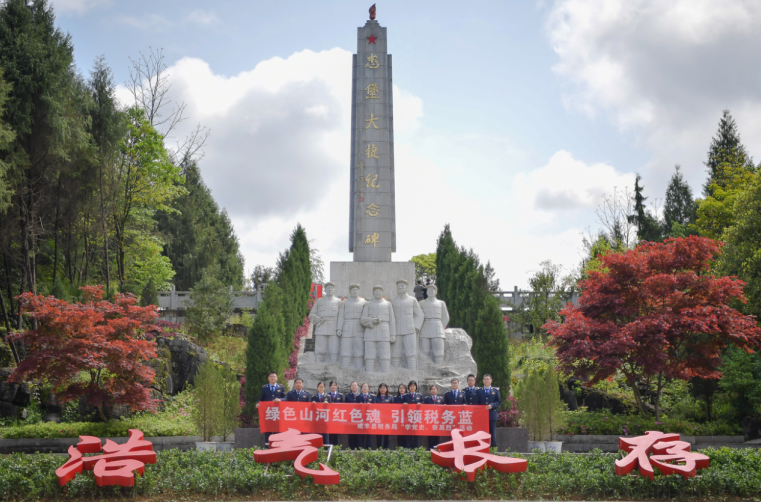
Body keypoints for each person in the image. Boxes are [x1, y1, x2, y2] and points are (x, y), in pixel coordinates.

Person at [336, 283, 367, 369]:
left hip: (359, 327)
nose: (355, 291)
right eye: (353, 290)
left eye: (356, 290)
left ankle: (359, 368)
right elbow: (341, 316)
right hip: (347, 327)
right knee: (345, 348)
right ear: (350, 291)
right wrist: (339, 328)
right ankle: (344, 368)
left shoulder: (364, 303)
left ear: (359, 291)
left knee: (359, 349)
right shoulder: (344, 303)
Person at [256, 371, 286, 444]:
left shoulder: (281, 387)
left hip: (277, 411)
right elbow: (261, 398)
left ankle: (277, 444)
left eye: (274, 377)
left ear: (277, 378)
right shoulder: (264, 388)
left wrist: (280, 400)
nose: (273, 378)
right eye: (271, 377)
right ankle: (267, 444)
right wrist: (258, 403)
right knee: (268, 427)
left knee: (277, 427)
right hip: (268, 411)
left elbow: (285, 398)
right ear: (268, 378)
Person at [477, 374, 501, 448]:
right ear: (482, 381)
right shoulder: (479, 391)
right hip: (481, 416)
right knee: (481, 432)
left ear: (491, 380)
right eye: (485, 379)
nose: (486, 380)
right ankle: (482, 447)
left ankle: (493, 448)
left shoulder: (495, 391)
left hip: (492, 415)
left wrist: (492, 405)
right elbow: (476, 403)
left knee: (492, 432)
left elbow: (498, 402)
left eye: (488, 379)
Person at [404, 380, 424, 448]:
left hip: (417, 418)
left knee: (416, 435)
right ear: (408, 387)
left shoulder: (419, 395)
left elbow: (424, 404)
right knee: (408, 435)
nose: (412, 387)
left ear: (416, 387)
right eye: (411, 386)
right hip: (407, 418)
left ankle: (416, 449)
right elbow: (401, 405)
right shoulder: (405, 396)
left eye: (413, 386)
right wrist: (403, 404)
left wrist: (421, 404)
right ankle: (408, 449)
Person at [424, 384, 444, 449]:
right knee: (430, 437)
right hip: (429, 421)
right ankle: (430, 450)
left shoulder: (440, 399)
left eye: (434, 389)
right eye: (432, 389)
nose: (433, 390)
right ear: (430, 391)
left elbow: (443, 409)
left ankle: (436, 450)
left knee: (437, 437)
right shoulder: (426, 399)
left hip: (437, 421)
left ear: (437, 390)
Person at [357, 383, 376, 448]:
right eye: (363, 387)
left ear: (369, 388)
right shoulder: (358, 396)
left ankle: (369, 449)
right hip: (361, 418)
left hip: (369, 418)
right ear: (361, 388)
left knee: (369, 435)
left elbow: (376, 406)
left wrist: (371, 405)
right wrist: (359, 405)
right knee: (361, 435)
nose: (364, 388)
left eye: (366, 387)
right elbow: (354, 407)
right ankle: (360, 448)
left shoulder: (372, 396)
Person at [344, 381, 362, 450]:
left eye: (355, 385)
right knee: (351, 436)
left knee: (359, 436)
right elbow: (345, 407)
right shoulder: (347, 396)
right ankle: (351, 450)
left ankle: (359, 450)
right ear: (350, 387)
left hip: (359, 419)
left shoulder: (361, 395)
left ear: (358, 387)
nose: (354, 387)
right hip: (350, 419)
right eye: (352, 386)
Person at [375, 383, 393, 449]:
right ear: (379, 389)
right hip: (378, 419)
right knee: (379, 436)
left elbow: (393, 408)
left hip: (387, 419)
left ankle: (386, 449)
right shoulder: (376, 397)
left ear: (386, 389)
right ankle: (379, 449)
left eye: (384, 388)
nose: (382, 389)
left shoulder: (390, 397)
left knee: (387, 435)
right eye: (381, 388)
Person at [326, 381, 344, 445]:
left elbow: (343, 406)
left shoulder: (340, 395)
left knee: (336, 434)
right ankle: (330, 447)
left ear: (337, 386)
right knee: (330, 434)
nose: (333, 386)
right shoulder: (327, 395)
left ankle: (336, 448)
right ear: (329, 387)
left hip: (337, 417)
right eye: (332, 385)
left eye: (334, 385)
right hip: (329, 417)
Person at [394, 384, 408, 449]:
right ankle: (400, 448)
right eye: (400, 388)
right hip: (398, 418)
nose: (401, 389)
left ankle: (406, 448)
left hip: (407, 418)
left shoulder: (408, 397)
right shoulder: (395, 398)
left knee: (406, 434)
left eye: (403, 388)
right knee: (399, 434)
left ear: (405, 389)